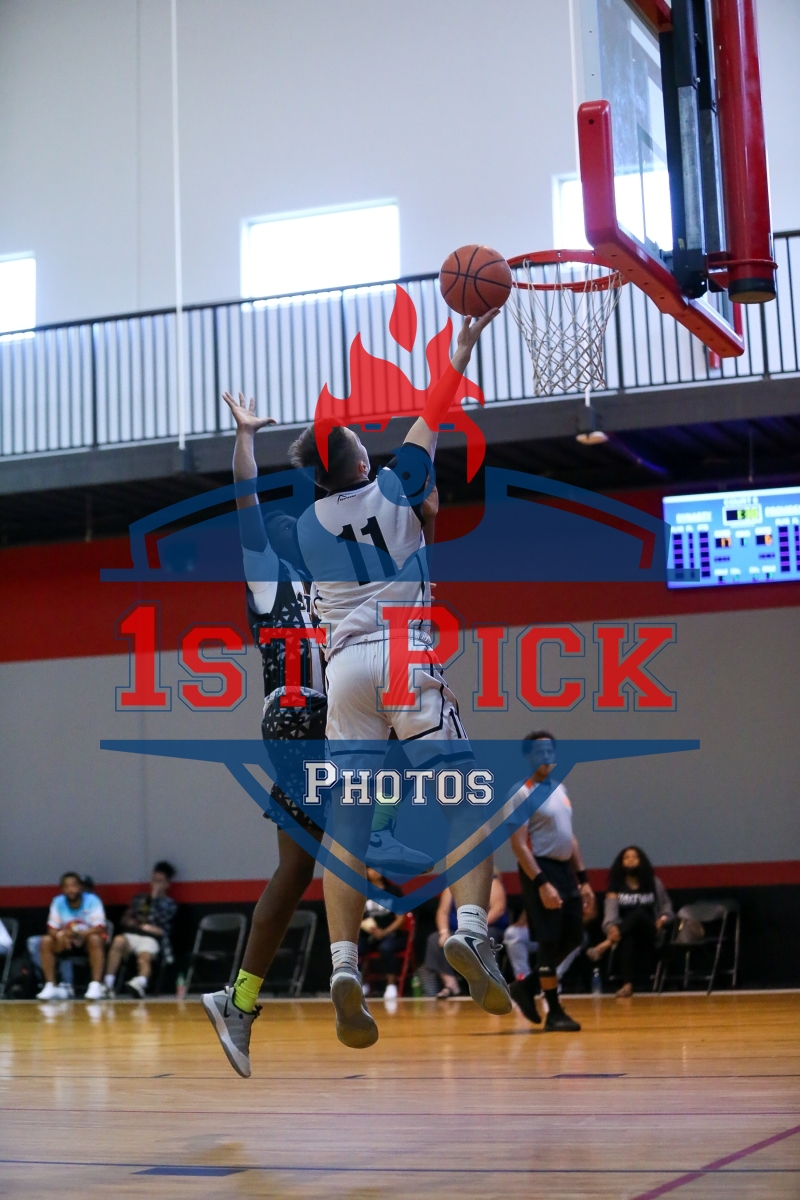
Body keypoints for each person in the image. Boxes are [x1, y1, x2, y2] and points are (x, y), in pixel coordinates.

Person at [290, 309, 509, 1049]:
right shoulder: (392, 484)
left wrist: (423, 520)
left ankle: (343, 965)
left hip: (344, 667)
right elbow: (435, 411)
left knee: (348, 824)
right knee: (465, 800)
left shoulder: (306, 527)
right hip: (402, 650)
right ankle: (471, 929)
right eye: (358, 438)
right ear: (356, 458)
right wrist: (465, 344)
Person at [508, 732, 594, 1031]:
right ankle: (554, 1012)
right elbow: (518, 845)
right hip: (540, 870)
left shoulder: (560, 789)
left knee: (573, 937)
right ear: (528, 757)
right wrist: (542, 883)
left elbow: (570, 838)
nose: (546, 756)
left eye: (550, 751)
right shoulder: (520, 793)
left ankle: (526, 987)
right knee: (549, 940)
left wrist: (583, 879)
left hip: (564, 871)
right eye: (539, 752)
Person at [587, 845, 674, 997]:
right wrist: (611, 928)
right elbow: (610, 914)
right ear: (621, 863)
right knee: (627, 938)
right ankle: (627, 986)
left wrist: (662, 919)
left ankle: (606, 944)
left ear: (642, 861)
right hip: (626, 933)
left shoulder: (654, 883)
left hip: (651, 931)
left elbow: (667, 907)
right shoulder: (616, 887)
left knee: (639, 913)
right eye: (626, 858)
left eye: (635, 857)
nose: (631, 860)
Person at [424, 874, 508, 999]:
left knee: (485, 937)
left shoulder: (492, 882)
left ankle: (488, 984)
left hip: (485, 927)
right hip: (457, 930)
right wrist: (444, 932)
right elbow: (443, 911)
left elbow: (498, 909)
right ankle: (451, 985)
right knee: (434, 939)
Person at [104, 861, 178, 998]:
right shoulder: (139, 899)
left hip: (151, 939)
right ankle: (108, 985)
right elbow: (127, 919)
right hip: (132, 934)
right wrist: (139, 923)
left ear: (167, 884)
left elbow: (160, 926)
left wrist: (154, 900)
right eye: (154, 880)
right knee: (118, 941)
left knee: (144, 958)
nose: (156, 884)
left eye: (160, 881)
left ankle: (140, 983)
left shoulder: (169, 904)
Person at [36, 872, 108, 1000]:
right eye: (67, 887)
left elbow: (99, 927)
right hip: (66, 941)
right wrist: (61, 935)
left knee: (95, 939)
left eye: (74, 886)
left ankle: (95, 985)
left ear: (80, 887)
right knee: (46, 940)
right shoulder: (58, 901)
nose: (71, 890)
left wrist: (80, 935)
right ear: (62, 889)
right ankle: (50, 986)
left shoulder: (92, 900)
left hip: (87, 940)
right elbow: (52, 928)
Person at [359, 868, 407, 999]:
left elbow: (400, 918)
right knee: (354, 948)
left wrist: (385, 932)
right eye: (370, 868)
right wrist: (369, 928)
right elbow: (357, 917)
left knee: (386, 948)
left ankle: (391, 985)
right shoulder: (362, 892)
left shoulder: (394, 891)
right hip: (369, 935)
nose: (375, 871)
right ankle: (361, 983)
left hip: (391, 935)